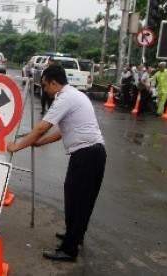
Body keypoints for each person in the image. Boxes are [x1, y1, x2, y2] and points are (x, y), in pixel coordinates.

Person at [7, 65, 107, 262]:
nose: (44, 90)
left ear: (54, 82)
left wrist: (17, 146)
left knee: (76, 200)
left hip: (87, 154)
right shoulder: (75, 96)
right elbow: (62, 132)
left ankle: (69, 249)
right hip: (91, 153)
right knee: (79, 198)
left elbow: (41, 128)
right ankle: (75, 234)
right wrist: (38, 143)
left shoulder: (64, 98)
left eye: (45, 86)